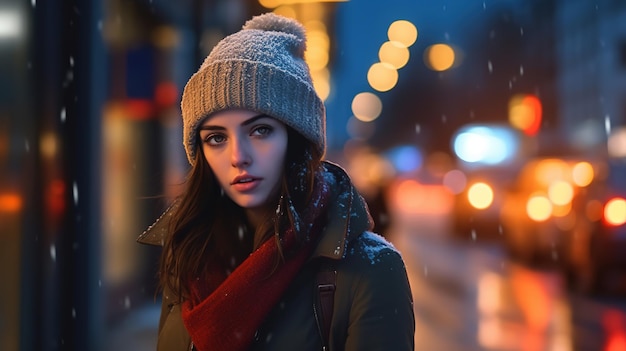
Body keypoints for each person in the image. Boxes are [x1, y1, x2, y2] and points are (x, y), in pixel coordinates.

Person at [138, 12, 415, 351]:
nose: (238, 156)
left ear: (296, 139)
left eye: (260, 130)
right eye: (216, 138)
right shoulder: (189, 260)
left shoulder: (369, 271)